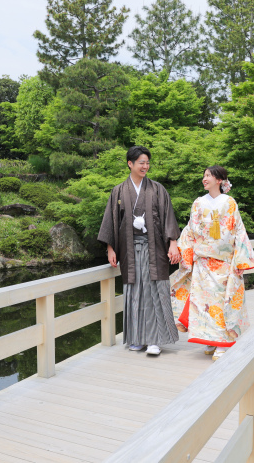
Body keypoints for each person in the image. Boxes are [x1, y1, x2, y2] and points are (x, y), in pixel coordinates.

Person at [97, 146, 182, 356]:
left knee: (155, 290)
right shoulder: (118, 191)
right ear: (130, 164)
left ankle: (155, 340)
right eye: (141, 162)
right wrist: (110, 248)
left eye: (147, 162)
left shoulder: (157, 189)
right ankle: (136, 338)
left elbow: (168, 217)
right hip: (129, 249)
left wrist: (173, 243)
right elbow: (111, 221)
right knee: (134, 292)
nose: (145, 166)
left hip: (155, 249)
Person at [170, 166, 254, 360]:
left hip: (223, 261)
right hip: (202, 261)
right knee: (203, 304)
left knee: (220, 302)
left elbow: (237, 231)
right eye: (204, 176)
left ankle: (223, 343)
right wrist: (183, 249)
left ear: (219, 180)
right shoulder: (198, 203)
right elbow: (191, 229)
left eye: (208, 176)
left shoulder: (229, 202)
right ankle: (210, 340)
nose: (204, 179)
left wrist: (238, 258)